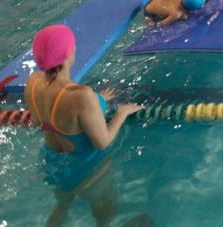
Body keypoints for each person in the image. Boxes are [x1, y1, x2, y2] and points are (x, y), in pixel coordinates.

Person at [24, 25, 142, 225]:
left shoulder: (33, 82)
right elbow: (102, 142)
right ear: (67, 54)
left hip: (53, 164)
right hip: (88, 170)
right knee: (106, 214)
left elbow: (39, 120)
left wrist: (97, 101)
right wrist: (121, 113)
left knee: (62, 205)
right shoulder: (81, 96)